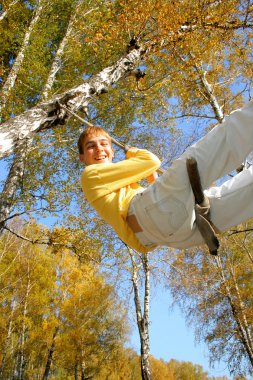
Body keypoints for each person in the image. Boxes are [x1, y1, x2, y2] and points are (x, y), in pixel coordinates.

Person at [78, 100, 253, 254]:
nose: (99, 149)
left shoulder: (116, 185)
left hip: (170, 236)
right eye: (91, 146)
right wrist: (133, 153)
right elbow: (151, 161)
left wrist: (153, 181)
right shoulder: (91, 175)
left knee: (243, 193)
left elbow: (163, 208)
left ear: (112, 150)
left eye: (104, 144)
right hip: (154, 217)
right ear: (82, 158)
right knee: (204, 154)